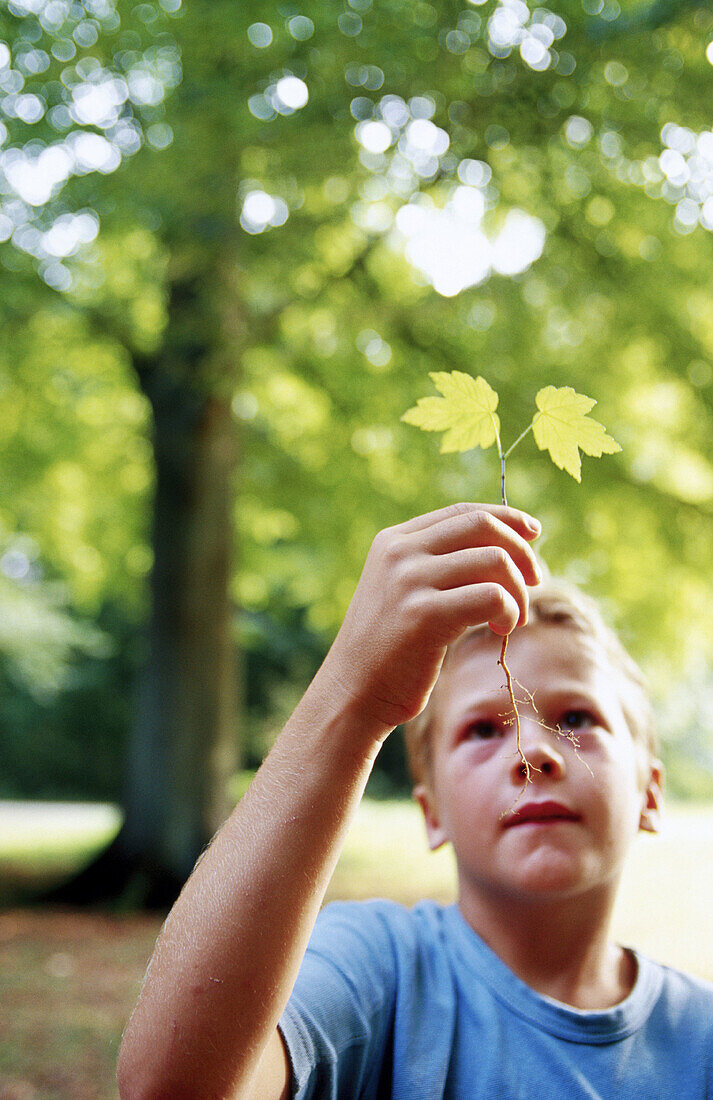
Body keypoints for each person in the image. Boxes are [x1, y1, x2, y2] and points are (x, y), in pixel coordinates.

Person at [117, 502, 713, 1099]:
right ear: (431, 813)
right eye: (483, 729)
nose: (533, 753)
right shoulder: (378, 971)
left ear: (650, 792)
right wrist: (355, 694)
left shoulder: (701, 1040)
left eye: (576, 717)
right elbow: (173, 1086)